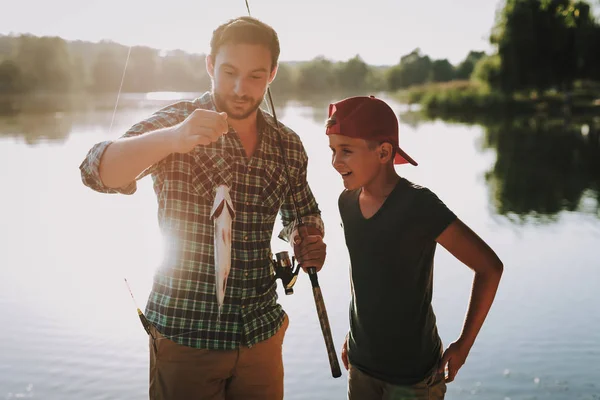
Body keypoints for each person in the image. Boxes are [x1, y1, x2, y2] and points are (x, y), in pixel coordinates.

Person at [79, 16, 326, 400]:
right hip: (185, 338)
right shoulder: (177, 122)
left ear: (272, 74)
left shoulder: (287, 144)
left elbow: (302, 212)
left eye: (255, 76)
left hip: (261, 335)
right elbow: (96, 171)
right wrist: (173, 139)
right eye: (229, 72)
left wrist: (306, 237)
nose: (240, 89)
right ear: (210, 65)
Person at [325, 96, 503, 400]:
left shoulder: (419, 206)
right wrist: (354, 336)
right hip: (361, 366)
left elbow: (489, 267)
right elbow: (368, 279)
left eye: (346, 151)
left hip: (414, 377)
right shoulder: (346, 203)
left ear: (383, 152)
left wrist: (464, 345)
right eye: (333, 150)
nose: (335, 161)